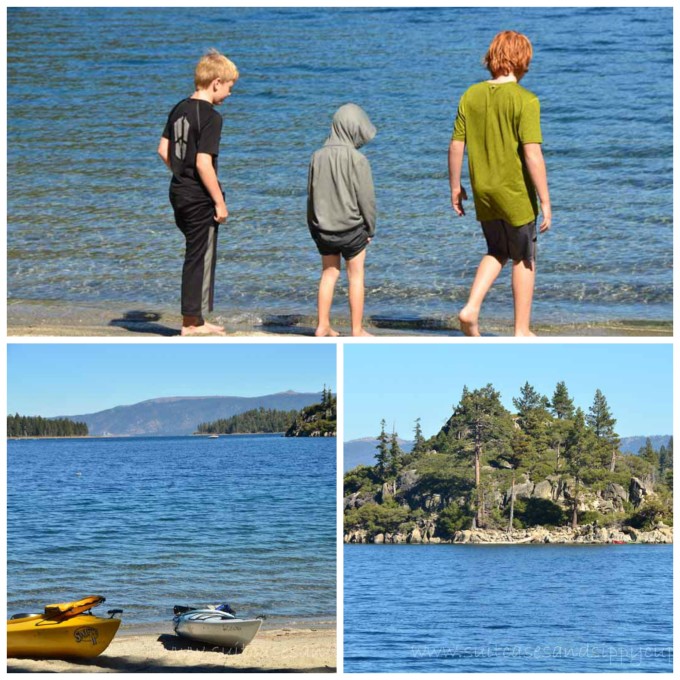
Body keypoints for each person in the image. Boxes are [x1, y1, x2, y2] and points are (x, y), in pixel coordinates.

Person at [449, 30, 551, 337]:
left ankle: (471, 307)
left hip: (483, 191)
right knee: (524, 257)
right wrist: (545, 201)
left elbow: (456, 145)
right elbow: (532, 154)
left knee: (496, 249)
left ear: (492, 58)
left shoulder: (471, 95)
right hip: (515, 193)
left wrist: (455, 187)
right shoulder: (526, 100)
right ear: (523, 61)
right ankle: (521, 330)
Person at [158, 49, 239, 336]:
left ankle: (195, 320)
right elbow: (204, 162)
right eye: (230, 87)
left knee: (194, 253)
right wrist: (219, 202)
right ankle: (191, 324)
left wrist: (181, 173)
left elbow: (163, 150)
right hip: (199, 196)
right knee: (199, 256)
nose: (230, 94)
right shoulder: (211, 118)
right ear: (216, 82)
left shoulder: (179, 107)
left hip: (178, 192)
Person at [307, 103, 377, 337]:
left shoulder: (316, 157)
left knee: (329, 273)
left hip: (323, 228)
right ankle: (356, 329)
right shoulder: (358, 159)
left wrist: (313, 228)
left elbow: (311, 194)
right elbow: (366, 200)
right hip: (352, 228)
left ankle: (322, 325)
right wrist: (370, 229)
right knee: (355, 276)